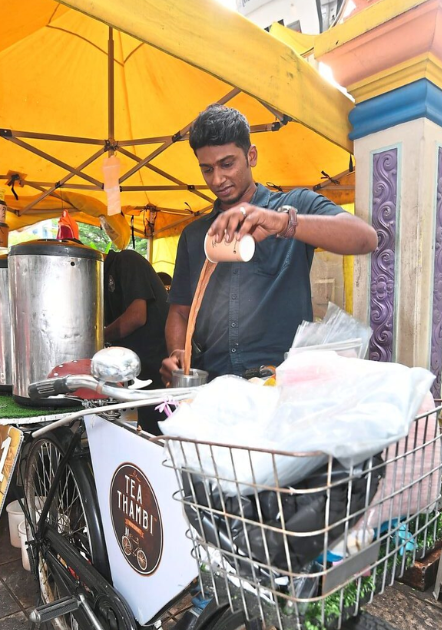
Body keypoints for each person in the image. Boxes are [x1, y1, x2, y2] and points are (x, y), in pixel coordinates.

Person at [160, 104, 377, 384]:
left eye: (227, 164)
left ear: (251, 156)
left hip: (282, 386)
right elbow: (179, 311)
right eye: (207, 169)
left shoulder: (295, 206)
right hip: (215, 389)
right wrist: (179, 352)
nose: (217, 179)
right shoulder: (195, 235)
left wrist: (285, 223)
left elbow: (365, 238)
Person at [103, 248, 170, 434]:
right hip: (142, 373)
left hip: (160, 367)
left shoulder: (126, 260)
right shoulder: (101, 284)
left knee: (159, 436)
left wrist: (99, 337)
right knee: (145, 432)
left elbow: (136, 316)